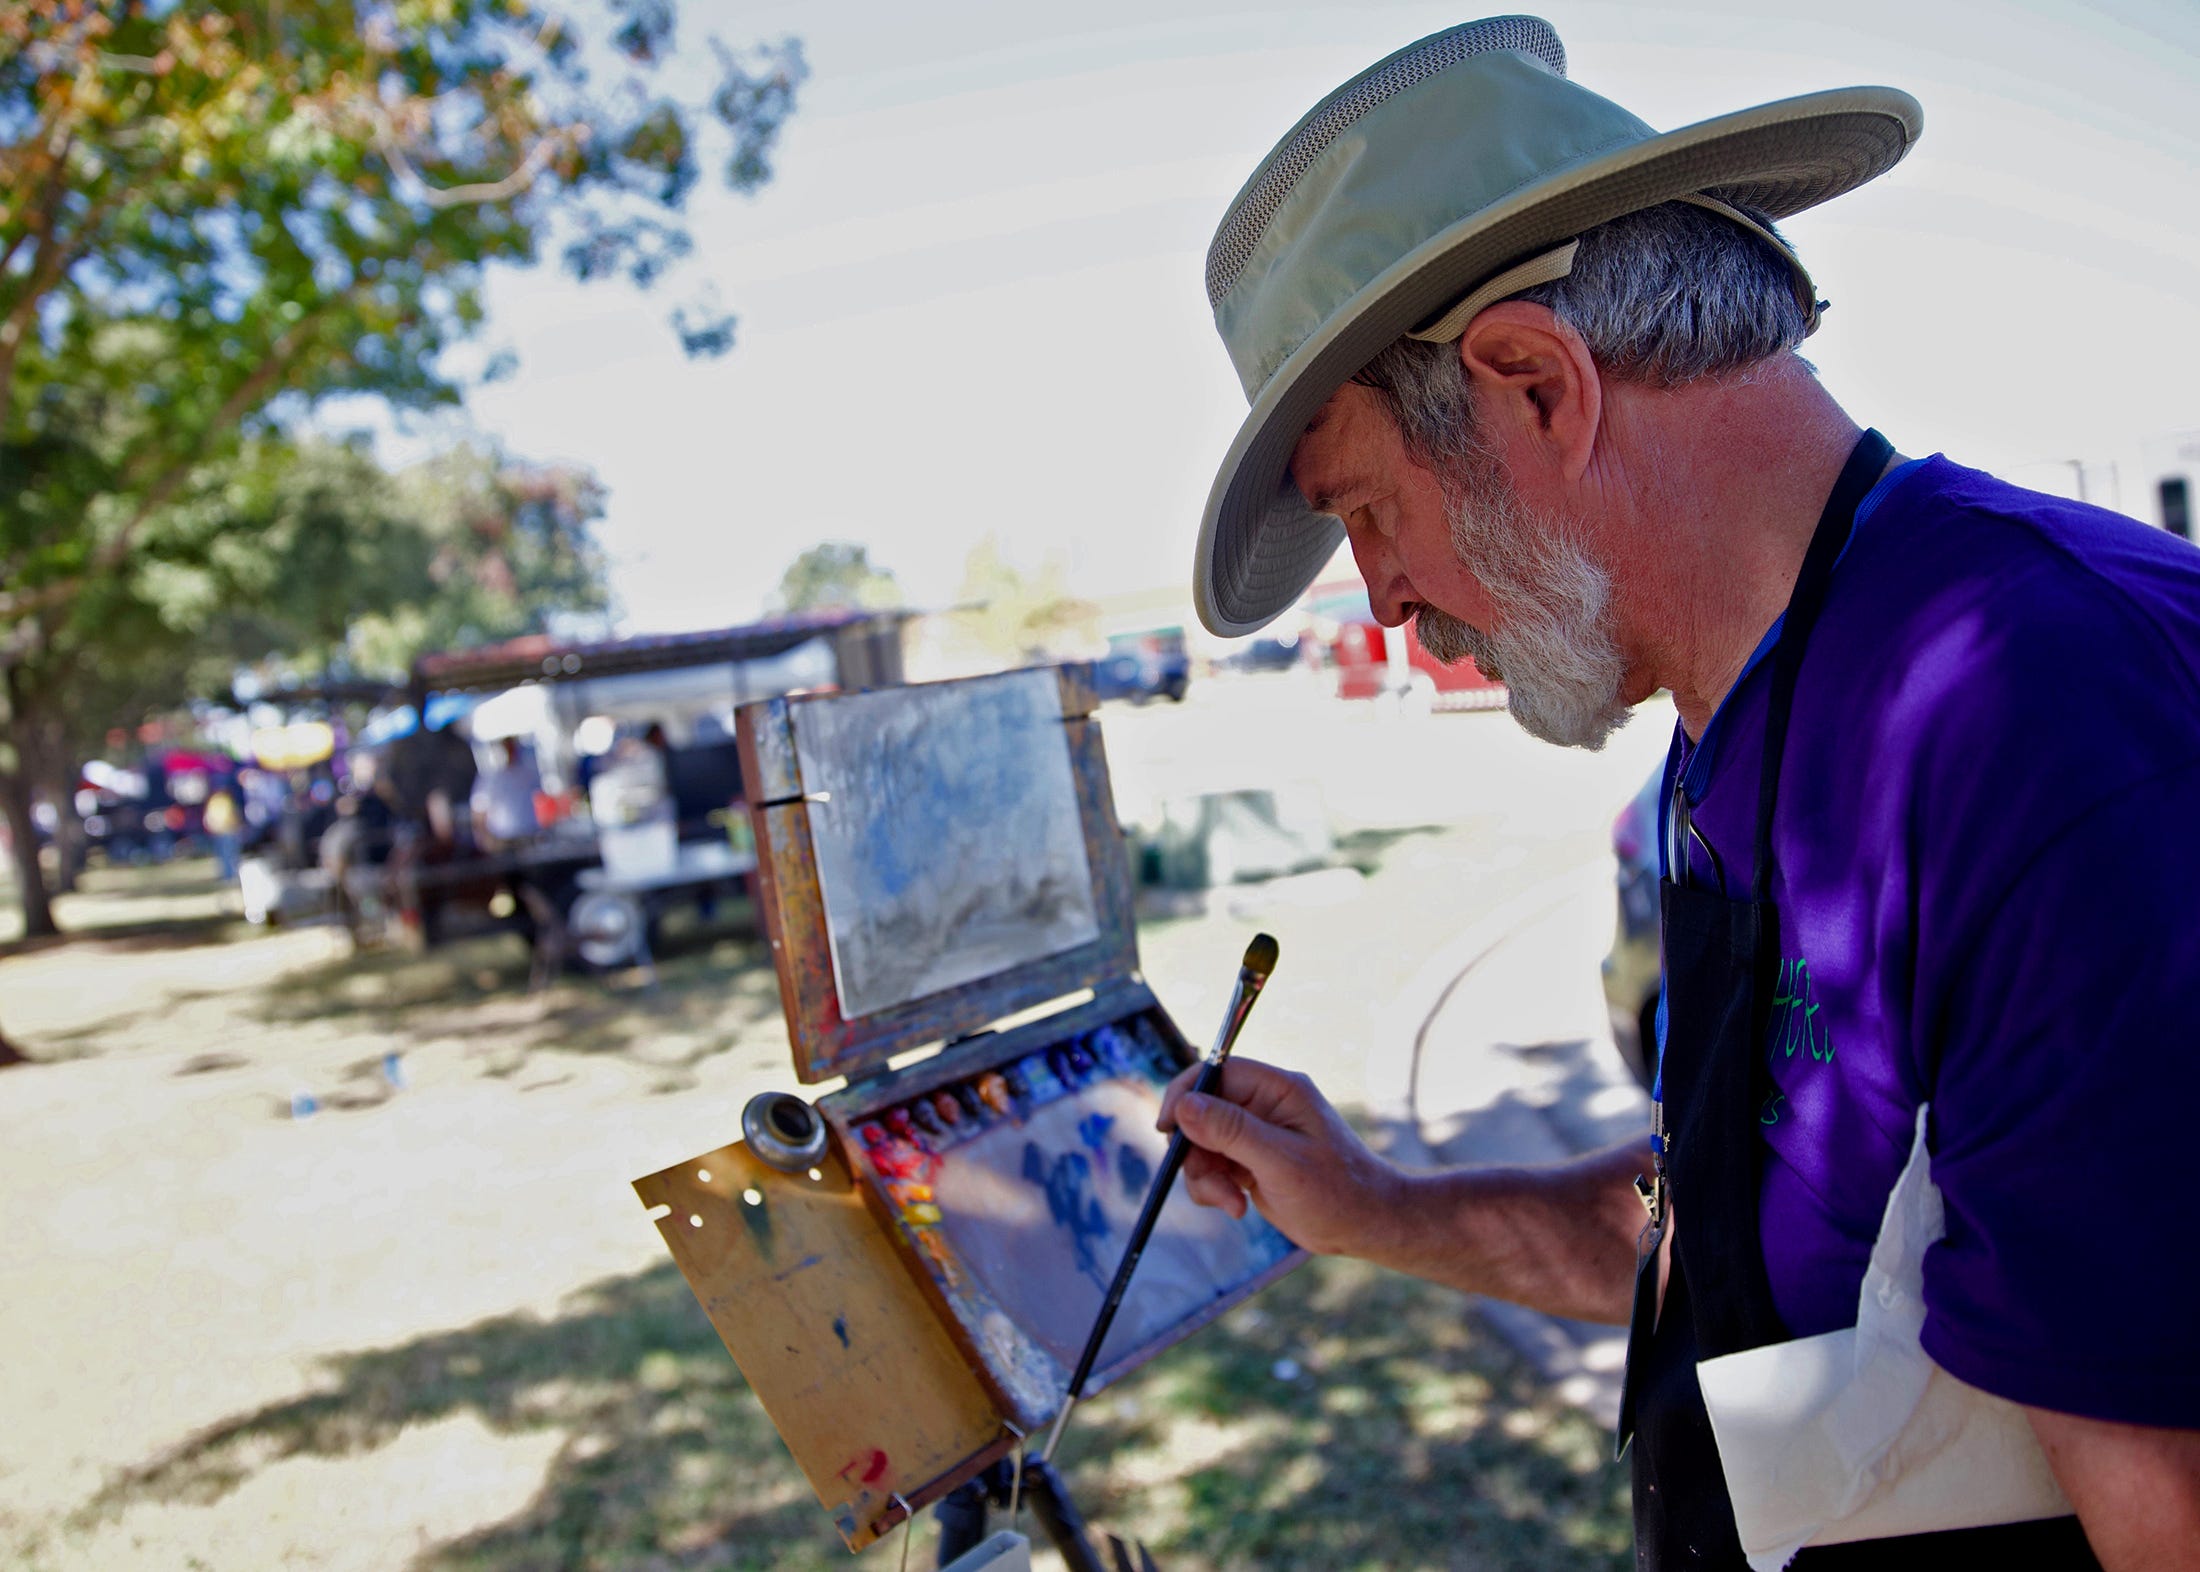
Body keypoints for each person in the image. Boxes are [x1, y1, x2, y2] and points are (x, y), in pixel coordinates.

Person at [1162, 19, 2200, 1570]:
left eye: (1368, 510)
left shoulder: (2036, 708)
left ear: (1531, 387)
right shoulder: (1722, 725)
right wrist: (1374, 1206)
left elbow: (2165, 1503)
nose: (1379, 598)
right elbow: (1720, 1232)